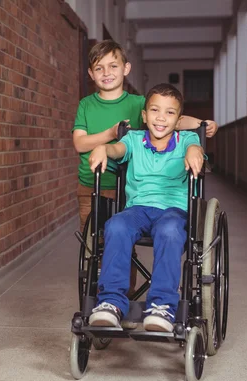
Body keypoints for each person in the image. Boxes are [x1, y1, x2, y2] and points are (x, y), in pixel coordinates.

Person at [72, 39, 217, 297]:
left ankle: (139, 296)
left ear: (126, 68)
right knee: (106, 238)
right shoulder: (89, 106)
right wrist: (107, 140)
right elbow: (83, 142)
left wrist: (201, 127)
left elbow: (173, 116)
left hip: (131, 189)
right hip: (99, 183)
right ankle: (111, 298)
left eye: (113, 66)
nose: (106, 73)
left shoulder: (142, 103)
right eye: (99, 67)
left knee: (162, 231)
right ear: (91, 73)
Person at [87, 83, 204, 332]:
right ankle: (110, 303)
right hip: (138, 209)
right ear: (144, 115)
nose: (161, 118)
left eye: (170, 113)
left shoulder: (187, 139)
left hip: (174, 210)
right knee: (116, 225)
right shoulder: (133, 140)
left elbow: (195, 148)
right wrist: (102, 147)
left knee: (170, 231)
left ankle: (161, 306)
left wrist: (195, 151)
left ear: (179, 119)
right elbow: (117, 149)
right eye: (154, 110)